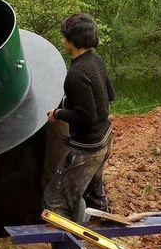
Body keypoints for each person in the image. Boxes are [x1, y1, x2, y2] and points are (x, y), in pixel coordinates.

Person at [43, 13, 115, 222]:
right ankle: (102, 239)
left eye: (64, 37)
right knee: (94, 193)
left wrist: (58, 113)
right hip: (105, 138)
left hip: (88, 148)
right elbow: (110, 95)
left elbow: (86, 117)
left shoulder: (77, 73)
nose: (63, 40)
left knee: (56, 200)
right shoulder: (95, 59)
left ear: (71, 41)